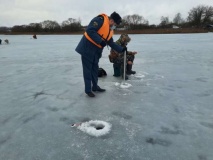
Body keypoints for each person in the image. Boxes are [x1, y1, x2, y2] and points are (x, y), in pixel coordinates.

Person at [75, 12, 127, 97]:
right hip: (87, 49)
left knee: (95, 69)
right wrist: (100, 41)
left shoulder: (110, 30)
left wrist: (121, 49)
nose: (115, 26)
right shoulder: (99, 20)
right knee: (87, 70)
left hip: (96, 52)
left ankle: (95, 87)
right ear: (112, 20)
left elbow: (111, 43)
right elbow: (89, 30)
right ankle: (88, 90)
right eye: (115, 24)